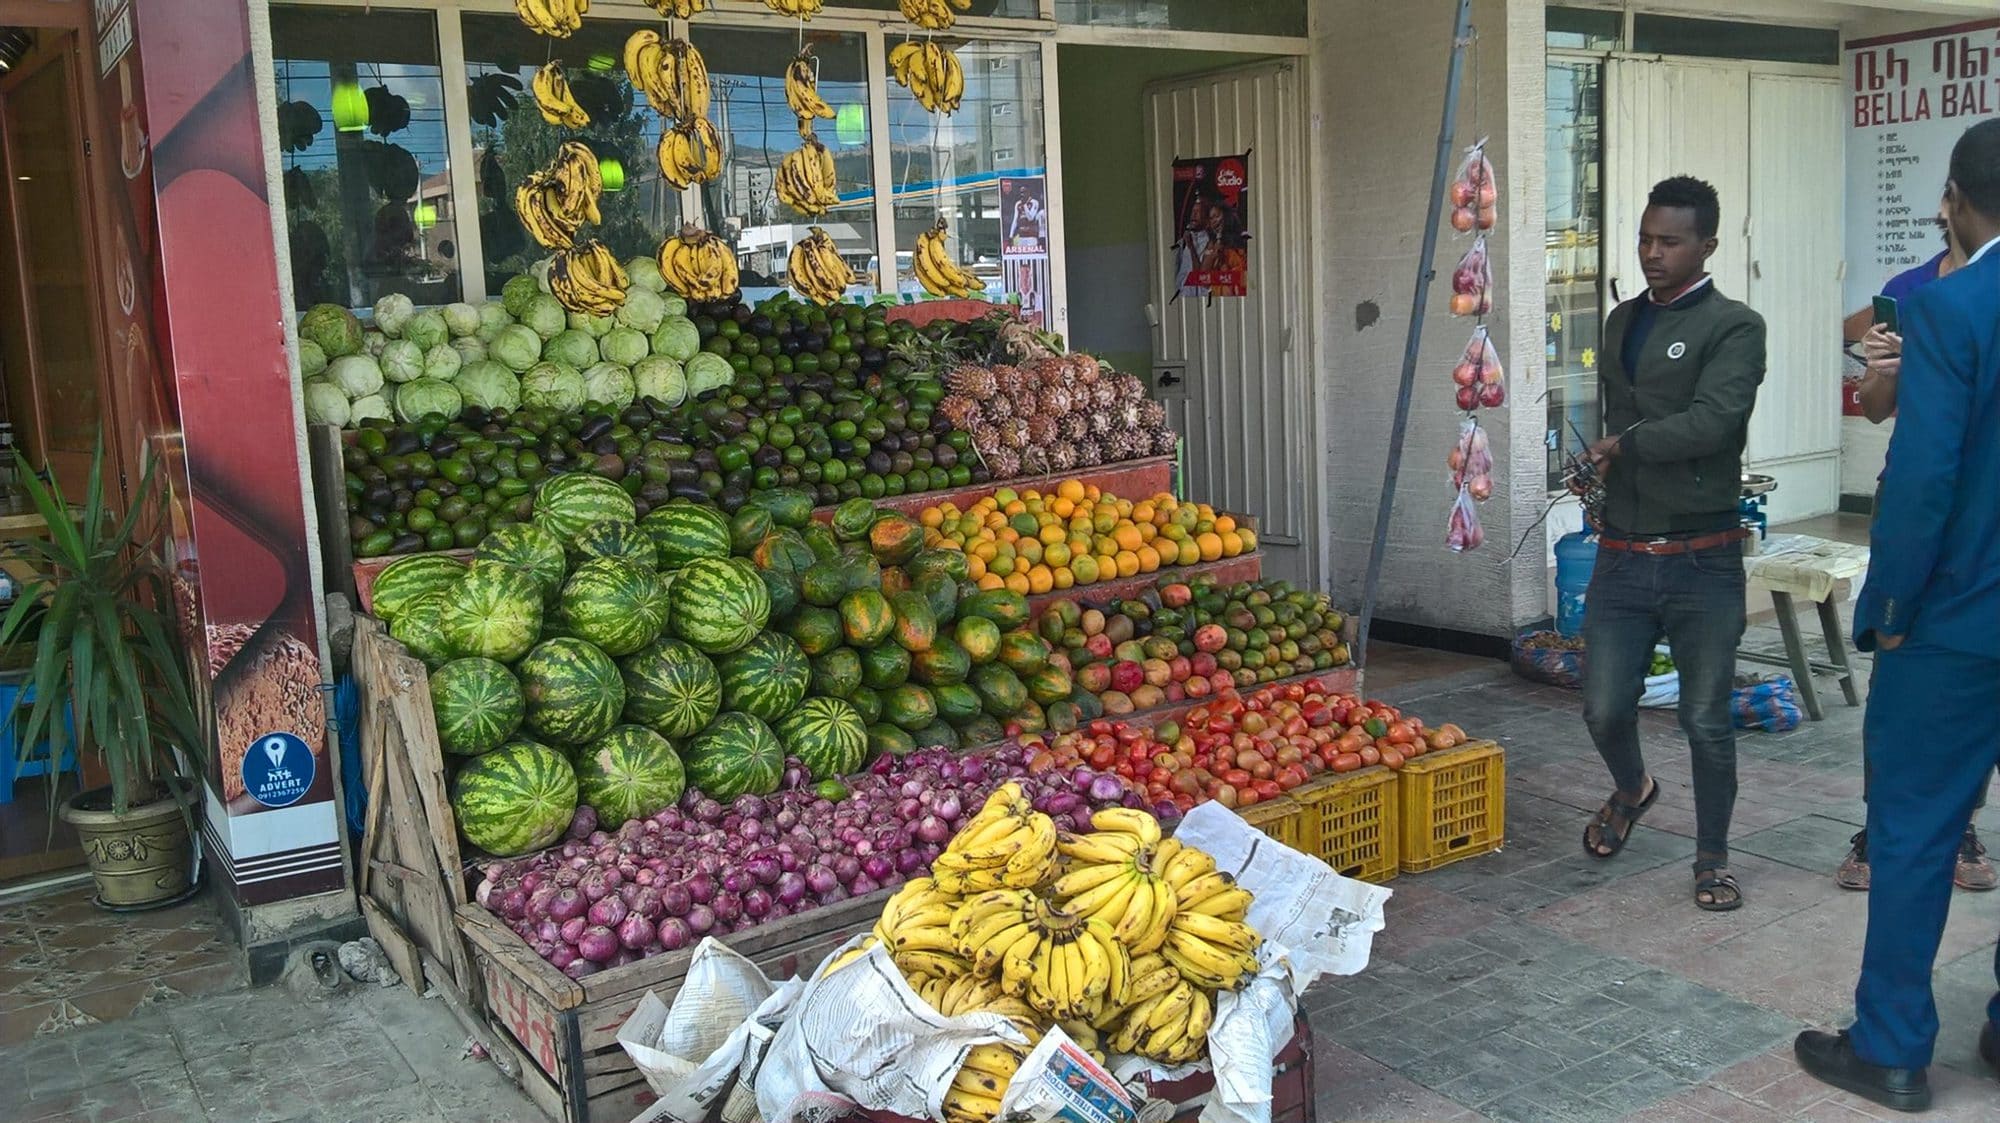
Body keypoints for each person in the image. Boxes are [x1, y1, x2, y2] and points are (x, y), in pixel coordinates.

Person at [1794, 118, 2000, 1114]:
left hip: (1956, 624)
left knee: (1914, 825)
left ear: (1956, 200)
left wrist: (1886, 609)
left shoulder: (1954, 309)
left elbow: (1919, 482)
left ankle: (1889, 1047)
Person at [1574, 175, 1767, 912]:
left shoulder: (1735, 326)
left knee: (1706, 718)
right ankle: (1634, 788)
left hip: (1704, 558)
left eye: (1670, 241)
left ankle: (1712, 856)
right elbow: (1619, 413)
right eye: (1646, 239)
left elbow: (1715, 422)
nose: (1652, 253)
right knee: (1602, 707)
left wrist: (1623, 445)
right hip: (1624, 555)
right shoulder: (1622, 320)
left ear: (1707, 245)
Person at [1836, 195, 1993, 893]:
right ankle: (1884, 822)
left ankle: (1959, 823)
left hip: (1973, 514)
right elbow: (1874, 408)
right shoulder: (1907, 293)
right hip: (1917, 509)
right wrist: (1884, 369)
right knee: (1899, 675)